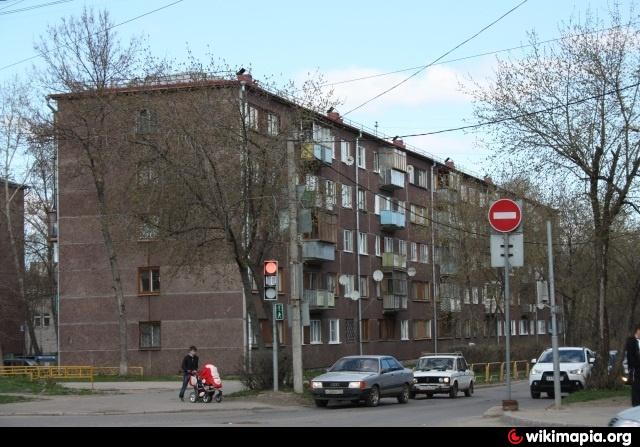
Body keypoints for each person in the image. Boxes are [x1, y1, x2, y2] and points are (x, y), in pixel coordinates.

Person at [624, 325, 640, 406]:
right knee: (636, 389)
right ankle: (636, 407)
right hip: (635, 370)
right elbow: (630, 357)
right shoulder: (631, 341)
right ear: (637, 330)